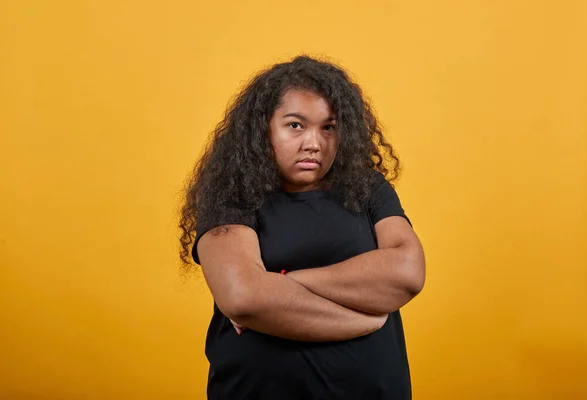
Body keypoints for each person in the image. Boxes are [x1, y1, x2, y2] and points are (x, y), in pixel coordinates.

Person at [178, 55, 426, 400]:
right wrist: (364, 322)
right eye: (295, 125)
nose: (314, 143)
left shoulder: (367, 187)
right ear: (263, 127)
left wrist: (283, 282)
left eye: (329, 127)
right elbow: (243, 297)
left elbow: (407, 273)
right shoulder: (232, 195)